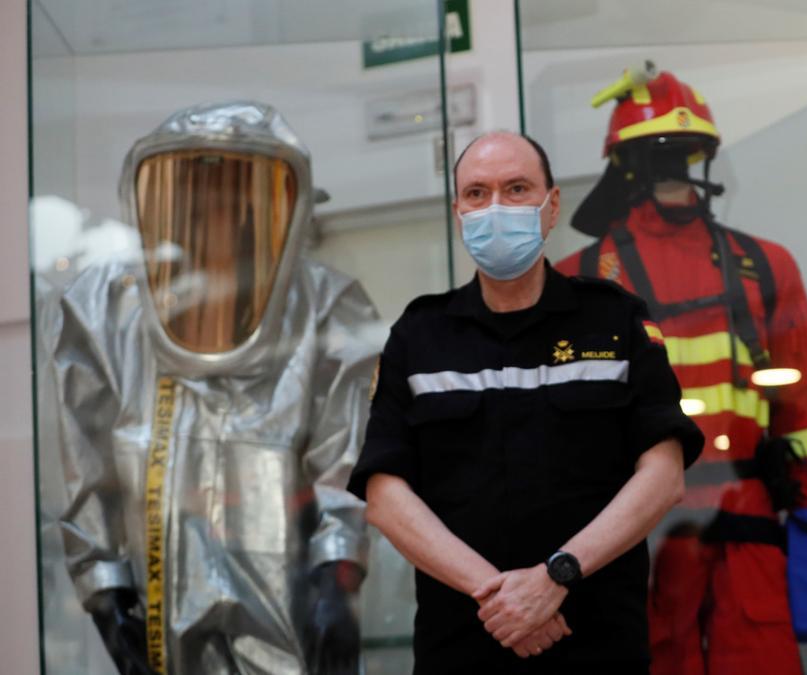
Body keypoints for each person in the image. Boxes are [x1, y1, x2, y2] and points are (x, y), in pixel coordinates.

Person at [347, 130, 704, 674]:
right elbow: (385, 496)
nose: (495, 207)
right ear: (457, 210)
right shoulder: (419, 336)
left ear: (551, 204)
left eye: (516, 188)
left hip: (597, 647)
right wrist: (502, 597)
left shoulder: (616, 320)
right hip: (460, 651)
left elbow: (663, 475)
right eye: (477, 193)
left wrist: (556, 575)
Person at [51, 101, 377, 674]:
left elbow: (345, 468)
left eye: (231, 198)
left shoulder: (326, 305)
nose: (213, 216)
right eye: (197, 197)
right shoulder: (103, 310)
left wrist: (336, 578)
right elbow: (89, 468)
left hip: (287, 597)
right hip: (160, 597)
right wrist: (104, 589)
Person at [557, 66, 807, 675]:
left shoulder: (766, 266)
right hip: (637, 543)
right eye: (660, 156)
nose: (676, 171)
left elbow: (805, 416)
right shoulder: (574, 280)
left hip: (751, 536)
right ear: (625, 166)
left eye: (686, 154)